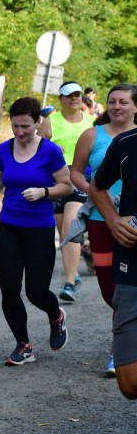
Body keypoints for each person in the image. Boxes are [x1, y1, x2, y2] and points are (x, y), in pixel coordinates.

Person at [0, 97, 71, 365]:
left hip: (39, 228)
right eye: (15, 126)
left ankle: (56, 316)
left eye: (26, 127)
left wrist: (44, 191)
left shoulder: (50, 151)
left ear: (37, 123)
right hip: (9, 226)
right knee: (9, 289)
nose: (20, 133)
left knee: (36, 292)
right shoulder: (4, 149)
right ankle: (24, 345)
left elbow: (66, 185)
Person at [72, 84, 137, 376]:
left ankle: (119, 351)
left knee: (127, 287)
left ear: (135, 107)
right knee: (108, 290)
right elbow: (76, 171)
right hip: (101, 219)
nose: (116, 107)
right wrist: (96, 193)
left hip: (132, 225)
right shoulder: (92, 135)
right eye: (112, 101)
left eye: (124, 102)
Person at [90, 107, 137, 399]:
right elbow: (97, 187)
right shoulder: (126, 143)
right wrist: (113, 220)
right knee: (129, 384)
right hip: (132, 267)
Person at [37, 82, 95, 303]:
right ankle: (75, 272)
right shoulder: (51, 122)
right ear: (60, 99)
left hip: (83, 178)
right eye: (68, 95)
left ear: (82, 98)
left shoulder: (92, 123)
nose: (73, 99)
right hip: (58, 180)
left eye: (77, 95)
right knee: (63, 232)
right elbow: (36, 151)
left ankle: (69, 283)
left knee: (71, 223)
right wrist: (50, 150)